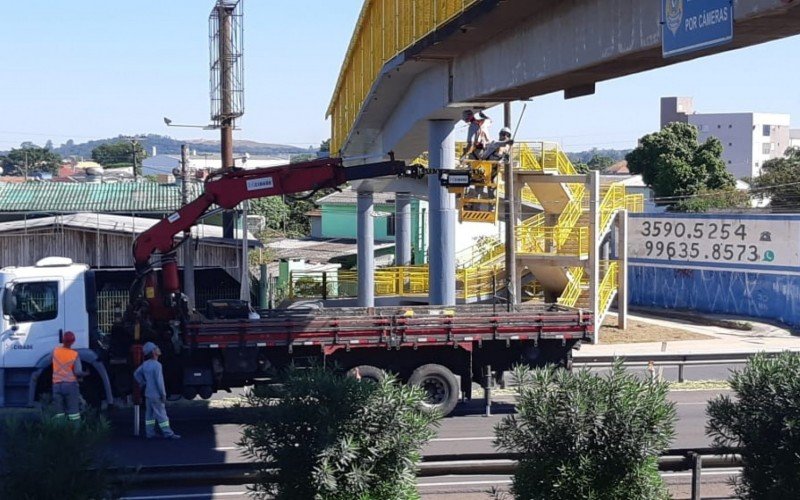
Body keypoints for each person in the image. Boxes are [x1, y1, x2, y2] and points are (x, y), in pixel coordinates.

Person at [134, 342, 180, 439]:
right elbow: (160, 382)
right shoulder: (157, 365)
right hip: (156, 395)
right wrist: (163, 394)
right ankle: (168, 433)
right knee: (162, 415)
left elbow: (136, 374)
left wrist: (143, 382)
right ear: (153, 352)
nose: (158, 348)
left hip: (148, 394)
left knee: (149, 415)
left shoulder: (145, 364)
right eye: (156, 348)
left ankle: (150, 433)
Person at [52, 331, 87, 423]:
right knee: (74, 414)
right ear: (73, 342)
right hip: (70, 386)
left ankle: (60, 433)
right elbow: (78, 372)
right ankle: (74, 434)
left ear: (62, 340)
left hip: (56, 385)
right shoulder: (74, 354)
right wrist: (86, 373)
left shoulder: (55, 351)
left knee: (59, 414)